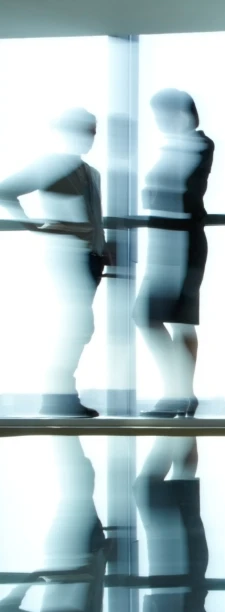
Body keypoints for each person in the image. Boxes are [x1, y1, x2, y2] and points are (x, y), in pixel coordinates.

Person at [0, 109, 110, 417]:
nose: (90, 137)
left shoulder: (91, 173)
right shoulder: (51, 165)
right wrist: (30, 224)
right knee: (77, 326)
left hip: (90, 259)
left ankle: (60, 395)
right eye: (87, 130)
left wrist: (102, 251)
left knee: (78, 326)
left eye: (93, 131)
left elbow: (94, 219)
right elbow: (6, 191)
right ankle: (58, 395)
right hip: (68, 256)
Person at [0, 437, 109, 612]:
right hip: (78, 549)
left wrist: (35, 577)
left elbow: (4, 611)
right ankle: (64, 428)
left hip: (76, 549)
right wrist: (36, 577)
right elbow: (4, 611)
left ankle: (63, 426)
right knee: (80, 483)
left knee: (79, 483)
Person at [135, 90, 214, 418]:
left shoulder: (196, 144)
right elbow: (152, 195)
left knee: (154, 316)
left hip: (180, 243)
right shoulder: (180, 146)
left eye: (161, 116)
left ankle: (177, 392)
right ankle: (182, 393)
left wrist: (154, 193)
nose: (159, 123)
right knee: (174, 320)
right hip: (170, 241)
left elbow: (166, 192)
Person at [134, 436, 216, 612]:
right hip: (174, 557)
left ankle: (181, 420)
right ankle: (172, 423)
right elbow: (170, 608)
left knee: (181, 483)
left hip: (186, 560)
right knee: (147, 488)